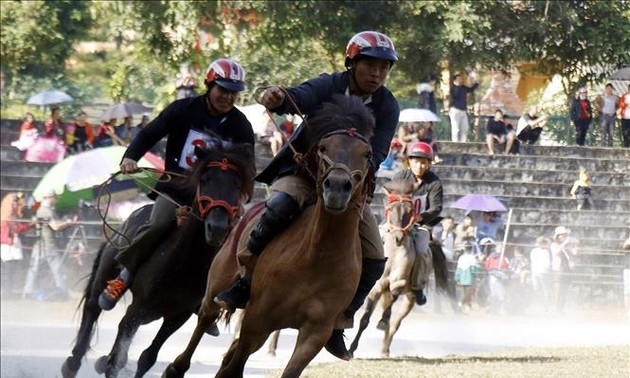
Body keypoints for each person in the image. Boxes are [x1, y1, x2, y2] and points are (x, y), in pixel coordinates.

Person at [214, 31, 399, 360]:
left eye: (384, 68)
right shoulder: (329, 85)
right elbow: (301, 95)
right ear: (352, 63)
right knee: (279, 205)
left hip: (349, 187)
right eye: (370, 65)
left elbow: (379, 150)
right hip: (303, 176)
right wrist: (279, 97)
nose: (377, 74)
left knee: (375, 257)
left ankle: (340, 320)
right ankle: (245, 280)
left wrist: (348, 175)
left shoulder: (388, 105)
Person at [98, 58, 255, 311]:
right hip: (176, 189)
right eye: (222, 90)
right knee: (159, 223)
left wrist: (240, 196)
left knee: (235, 239)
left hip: (216, 197)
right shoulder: (182, 109)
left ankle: (210, 299)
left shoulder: (241, 126)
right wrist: (130, 157)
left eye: (233, 93)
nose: (227, 97)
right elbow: (149, 133)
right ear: (209, 85)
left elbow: (248, 166)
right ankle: (123, 277)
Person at [389, 142, 444, 306]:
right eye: (416, 161)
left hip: (420, 225)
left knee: (421, 250)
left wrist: (417, 218)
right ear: (409, 161)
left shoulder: (434, 182)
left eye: (424, 162)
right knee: (377, 239)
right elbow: (392, 199)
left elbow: (436, 208)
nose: (420, 165)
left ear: (429, 163)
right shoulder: (400, 177)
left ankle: (417, 285)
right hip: (397, 222)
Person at [22, 189, 76, 301]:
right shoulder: (46, 211)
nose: (56, 199)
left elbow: (54, 224)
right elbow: (55, 227)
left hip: (42, 245)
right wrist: (68, 223)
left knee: (34, 270)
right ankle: (62, 292)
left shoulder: (44, 210)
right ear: (50, 197)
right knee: (56, 270)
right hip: (47, 246)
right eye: (55, 197)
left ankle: (28, 292)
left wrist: (66, 222)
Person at [1, 192, 33, 297]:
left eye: (16, 202)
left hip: (13, 244)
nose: (15, 204)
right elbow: (13, 230)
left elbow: (18, 229)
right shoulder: (5, 216)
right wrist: (30, 224)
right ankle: (6, 291)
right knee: (8, 268)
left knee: (14, 267)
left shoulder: (14, 216)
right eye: (13, 202)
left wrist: (29, 225)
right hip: (7, 245)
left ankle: (9, 290)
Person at [550, 226, 578, 314]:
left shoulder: (566, 245)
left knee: (564, 290)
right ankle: (555, 309)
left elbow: (575, 253)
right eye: (561, 235)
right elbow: (556, 252)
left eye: (564, 235)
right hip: (558, 270)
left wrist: (576, 245)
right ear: (557, 237)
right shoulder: (554, 245)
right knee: (558, 291)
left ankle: (560, 309)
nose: (563, 237)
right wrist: (565, 243)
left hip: (566, 269)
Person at [448, 72, 479, 142]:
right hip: (455, 110)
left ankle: (463, 142)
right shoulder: (453, 88)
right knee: (455, 128)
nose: (460, 80)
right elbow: (455, 95)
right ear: (455, 81)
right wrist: (457, 86)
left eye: (461, 79)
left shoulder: (463, 88)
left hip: (463, 110)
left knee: (465, 127)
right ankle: (455, 143)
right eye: (459, 79)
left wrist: (476, 83)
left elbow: (471, 90)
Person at [454, 240, 480, 313]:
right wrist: (476, 276)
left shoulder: (461, 257)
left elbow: (458, 269)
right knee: (467, 292)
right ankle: (461, 303)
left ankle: (468, 305)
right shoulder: (472, 257)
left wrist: (457, 277)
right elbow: (474, 269)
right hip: (469, 277)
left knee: (464, 292)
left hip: (462, 277)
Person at [530, 235, 552, 310]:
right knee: (537, 288)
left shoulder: (545, 251)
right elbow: (533, 261)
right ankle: (538, 303)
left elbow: (547, 263)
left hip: (542, 272)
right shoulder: (534, 251)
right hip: (536, 271)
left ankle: (546, 304)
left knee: (545, 288)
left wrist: (546, 269)